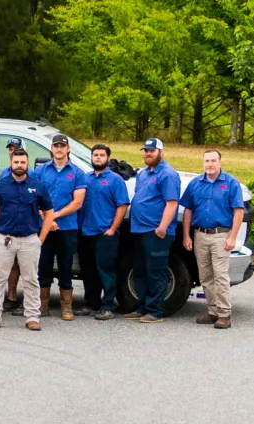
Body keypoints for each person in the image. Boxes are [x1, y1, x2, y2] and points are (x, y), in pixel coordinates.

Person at [0, 146, 54, 330]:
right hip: (4, 239)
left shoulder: (38, 186)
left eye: (23, 162)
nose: (19, 165)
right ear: (11, 163)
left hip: (30, 239)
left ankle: (32, 317)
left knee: (30, 279)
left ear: (28, 164)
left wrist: (41, 238)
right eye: (16, 162)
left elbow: (49, 213)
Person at [181, 149, 244, 329]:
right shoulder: (196, 183)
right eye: (207, 161)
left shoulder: (231, 183)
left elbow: (238, 212)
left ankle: (224, 314)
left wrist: (232, 237)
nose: (209, 164)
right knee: (205, 277)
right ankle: (212, 311)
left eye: (213, 161)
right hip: (200, 235)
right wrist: (186, 235)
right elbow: (188, 210)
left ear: (220, 162)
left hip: (221, 235)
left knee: (220, 276)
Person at [30, 133, 89, 322]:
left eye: (62, 146)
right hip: (44, 229)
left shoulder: (77, 173)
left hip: (67, 228)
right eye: (56, 146)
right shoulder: (40, 172)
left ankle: (66, 306)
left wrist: (53, 216)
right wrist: (46, 217)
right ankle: (43, 304)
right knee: (43, 265)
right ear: (51, 149)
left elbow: (77, 202)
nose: (59, 149)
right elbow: (35, 198)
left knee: (66, 267)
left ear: (68, 149)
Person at [127, 138, 181, 323]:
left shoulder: (168, 174)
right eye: (146, 151)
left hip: (155, 232)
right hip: (139, 230)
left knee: (156, 271)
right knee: (140, 270)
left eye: (152, 151)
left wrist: (162, 228)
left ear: (161, 152)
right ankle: (142, 307)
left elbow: (172, 203)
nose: (148, 154)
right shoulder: (143, 173)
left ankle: (155, 311)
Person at [79, 144, 129, 320]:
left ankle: (108, 305)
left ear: (108, 158)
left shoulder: (115, 180)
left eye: (101, 155)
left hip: (105, 233)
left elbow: (122, 205)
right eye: (95, 155)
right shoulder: (85, 178)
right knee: (88, 270)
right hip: (86, 232)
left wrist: (113, 229)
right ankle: (91, 303)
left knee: (106, 270)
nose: (98, 158)